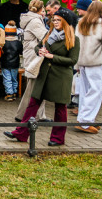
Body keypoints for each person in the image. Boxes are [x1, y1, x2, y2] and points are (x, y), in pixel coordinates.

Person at [7, 13, 79, 146]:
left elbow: (72, 60)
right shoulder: (49, 34)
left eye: (59, 20)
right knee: (33, 103)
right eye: (54, 20)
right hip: (44, 74)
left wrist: (52, 57)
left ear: (66, 22)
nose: (55, 22)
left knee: (60, 108)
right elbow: (38, 46)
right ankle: (21, 133)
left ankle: (58, 138)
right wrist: (39, 51)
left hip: (61, 77)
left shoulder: (73, 38)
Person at [75, 1, 102, 133]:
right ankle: (86, 121)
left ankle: (85, 119)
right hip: (97, 62)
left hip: (83, 62)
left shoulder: (81, 23)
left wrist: (76, 63)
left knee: (85, 91)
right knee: (95, 91)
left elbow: (76, 44)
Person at [16, 0, 49, 122]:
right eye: (44, 10)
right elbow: (45, 37)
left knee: (36, 86)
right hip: (35, 55)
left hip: (31, 54)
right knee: (33, 86)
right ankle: (23, 115)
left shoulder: (30, 19)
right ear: (40, 10)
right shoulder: (35, 21)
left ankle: (39, 115)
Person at [1, 24, 23, 101]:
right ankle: (14, 93)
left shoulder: (3, 42)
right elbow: (21, 52)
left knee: (7, 79)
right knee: (14, 79)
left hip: (5, 63)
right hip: (15, 63)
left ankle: (9, 94)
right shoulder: (18, 43)